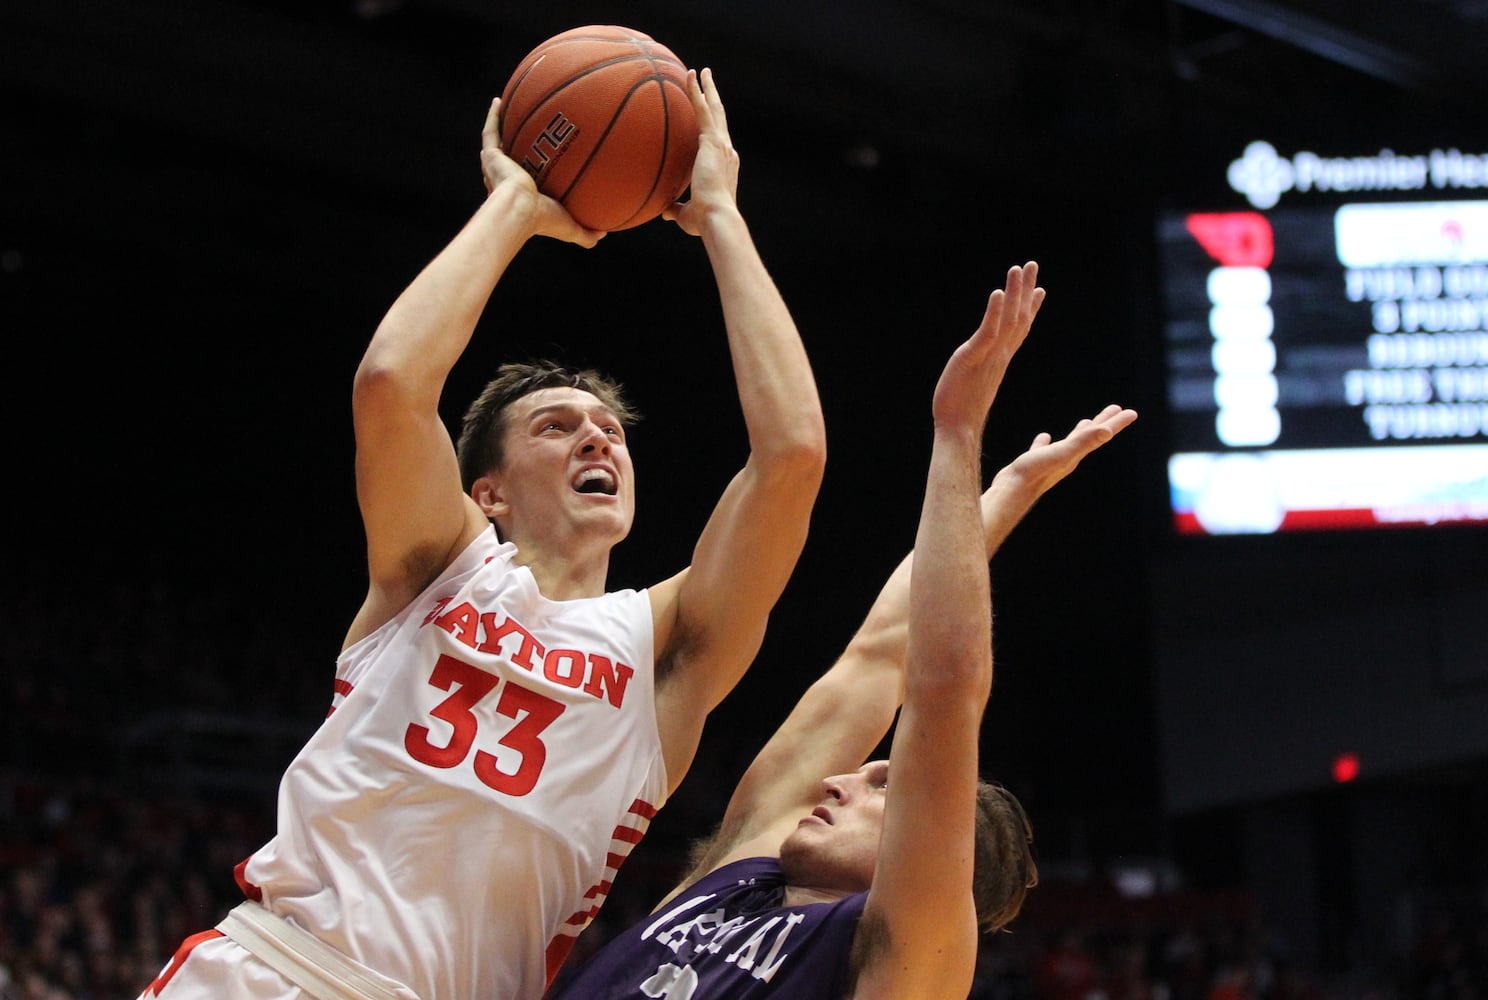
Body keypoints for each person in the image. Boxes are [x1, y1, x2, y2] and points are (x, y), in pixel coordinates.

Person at [139, 66, 825, 1000]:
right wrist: (515, 206)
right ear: (488, 491)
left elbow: (790, 456)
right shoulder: (437, 570)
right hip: (271, 973)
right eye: (556, 425)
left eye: (610, 429)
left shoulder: (665, 651)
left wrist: (724, 222)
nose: (596, 434)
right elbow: (390, 383)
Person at [544, 260, 1137, 999]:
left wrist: (956, 434)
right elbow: (878, 656)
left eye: (882, 784)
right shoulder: (745, 870)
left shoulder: (897, 959)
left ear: (926, 854)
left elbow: (942, 688)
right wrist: (1004, 494)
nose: (840, 778)